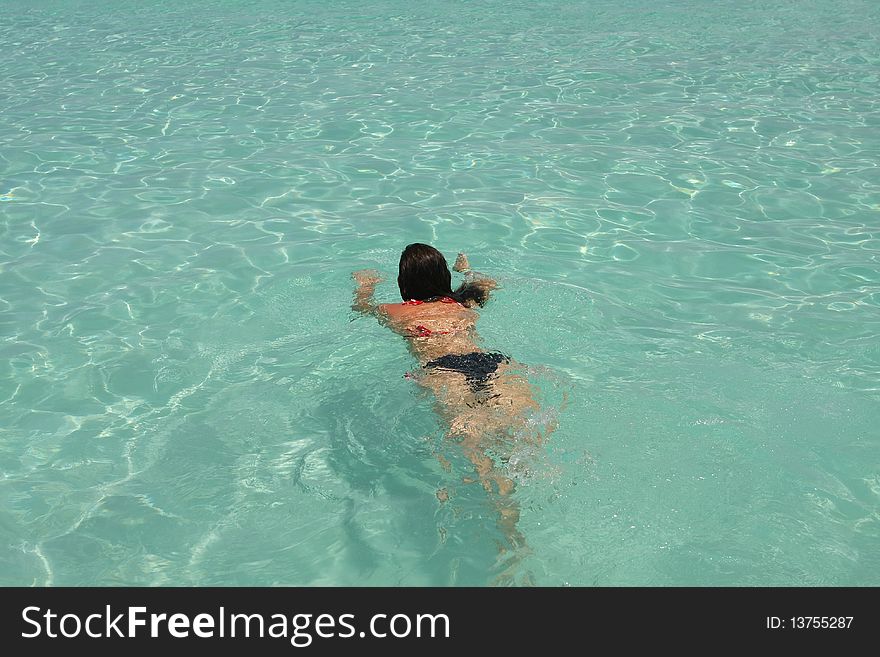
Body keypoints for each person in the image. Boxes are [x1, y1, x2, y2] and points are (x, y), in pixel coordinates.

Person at [352, 243, 550, 567]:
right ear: (444, 277)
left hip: (445, 373)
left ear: (405, 285)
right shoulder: (462, 303)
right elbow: (487, 284)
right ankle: (521, 535)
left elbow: (362, 308)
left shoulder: (397, 312)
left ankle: (511, 547)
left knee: (479, 460)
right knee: (520, 443)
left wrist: (365, 285)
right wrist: (465, 271)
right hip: (492, 364)